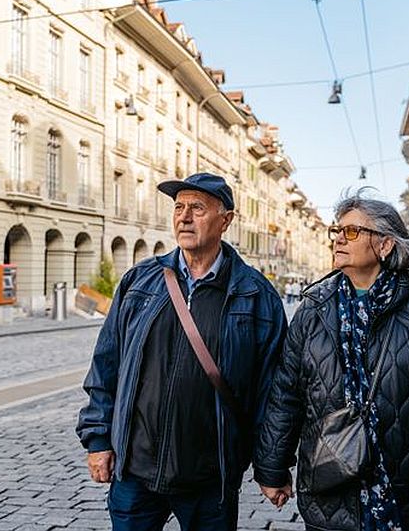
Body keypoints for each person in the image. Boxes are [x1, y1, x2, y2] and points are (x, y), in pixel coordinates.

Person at [254, 190, 409, 531]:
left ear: (385, 245)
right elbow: (286, 394)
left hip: (406, 491)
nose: (339, 239)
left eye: (353, 231)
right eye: (337, 231)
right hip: (329, 488)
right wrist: (272, 466)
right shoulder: (313, 310)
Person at [76, 172, 287, 531]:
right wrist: (98, 440)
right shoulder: (140, 281)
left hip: (210, 478)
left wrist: (271, 466)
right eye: (179, 207)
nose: (184, 217)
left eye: (198, 208)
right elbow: (106, 364)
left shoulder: (255, 294)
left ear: (226, 220)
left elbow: (274, 390)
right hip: (135, 473)